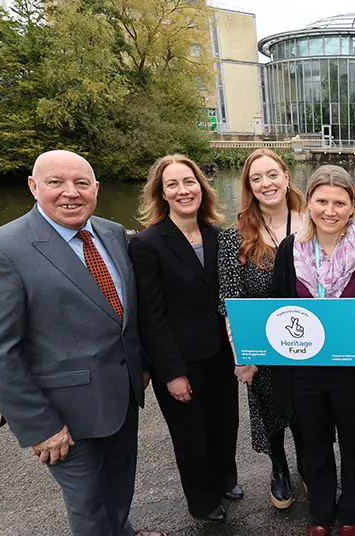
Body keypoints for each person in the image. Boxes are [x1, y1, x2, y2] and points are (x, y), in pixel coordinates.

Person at [0, 150, 163, 536]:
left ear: (96, 189)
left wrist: (141, 366)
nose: (71, 192)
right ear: (34, 187)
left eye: (81, 183)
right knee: (87, 504)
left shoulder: (112, 233)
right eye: (56, 182)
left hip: (121, 398)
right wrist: (40, 426)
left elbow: (125, 312)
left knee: (119, 489)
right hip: (63, 415)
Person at [270, 165, 355, 536]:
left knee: (353, 443)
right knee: (314, 442)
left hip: (353, 367)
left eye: (339, 202)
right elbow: (277, 307)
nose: (330, 210)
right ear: (307, 203)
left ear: (352, 205)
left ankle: (352, 512)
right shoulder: (290, 249)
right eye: (322, 201)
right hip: (305, 367)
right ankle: (321, 512)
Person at [128, 155, 240, 523]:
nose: (182, 191)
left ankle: (225, 478)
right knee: (190, 434)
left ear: (201, 187)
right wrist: (171, 371)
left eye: (188, 182)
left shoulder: (217, 235)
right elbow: (151, 316)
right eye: (172, 184)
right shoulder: (148, 244)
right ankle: (201, 498)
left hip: (220, 353)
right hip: (180, 357)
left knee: (224, 423)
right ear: (161, 193)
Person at [217, 148, 305, 509]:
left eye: (272, 174)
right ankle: (280, 467)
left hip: (305, 339)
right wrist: (243, 355)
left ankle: (310, 465)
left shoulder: (313, 222)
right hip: (263, 344)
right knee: (270, 409)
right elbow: (230, 300)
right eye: (256, 178)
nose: (266, 183)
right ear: (249, 187)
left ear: (286, 177)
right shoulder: (234, 236)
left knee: (306, 408)